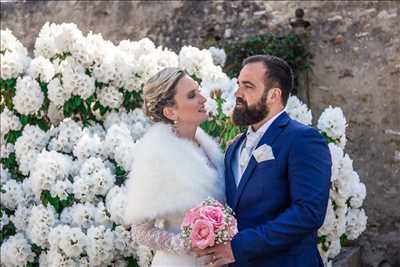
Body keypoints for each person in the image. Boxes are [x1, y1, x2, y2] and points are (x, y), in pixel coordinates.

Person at [195, 55, 332, 267]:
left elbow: (308, 213)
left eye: (248, 86)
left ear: (274, 95)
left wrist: (240, 247)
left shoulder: (303, 139)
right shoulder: (234, 147)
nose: (237, 93)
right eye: (238, 84)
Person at [124, 67, 225, 267]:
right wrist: (186, 243)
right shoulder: (157, 155)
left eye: (199, 91)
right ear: (170, 112)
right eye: (192, 95)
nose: (203, 99)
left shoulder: (206, 146)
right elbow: (140, 230)